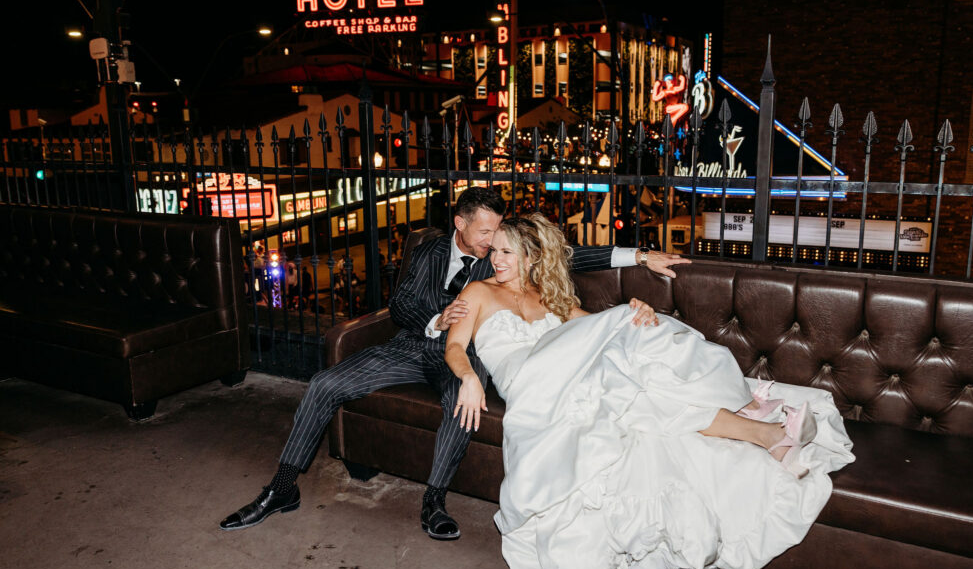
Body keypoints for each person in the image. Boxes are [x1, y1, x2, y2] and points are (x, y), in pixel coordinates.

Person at [219, 187, 689, 539]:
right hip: (411, 345)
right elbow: (401, 305)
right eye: (485, 231)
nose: (492, 240)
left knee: (463, 403)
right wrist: (436, 318)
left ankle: (434, 501)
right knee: (325, 382)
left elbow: (564, 255)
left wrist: (641, 255)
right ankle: (283, 486)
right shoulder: (426, 250)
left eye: (498, 233)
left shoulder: (498, 262)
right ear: (461, 223)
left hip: (462, 356)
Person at [444, 214, 855, 569]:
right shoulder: (479, 292)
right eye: (494, 251)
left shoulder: (546, 296)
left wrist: (635, 317)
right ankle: (748, 406)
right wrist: (468, 378)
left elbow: (594, 329)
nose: (495, 259)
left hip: (566, 379)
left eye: (506, 253)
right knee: (624, 336)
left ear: (531, 257)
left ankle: (769, 436)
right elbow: (455, 346)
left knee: (639, 378)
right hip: (528, 382)